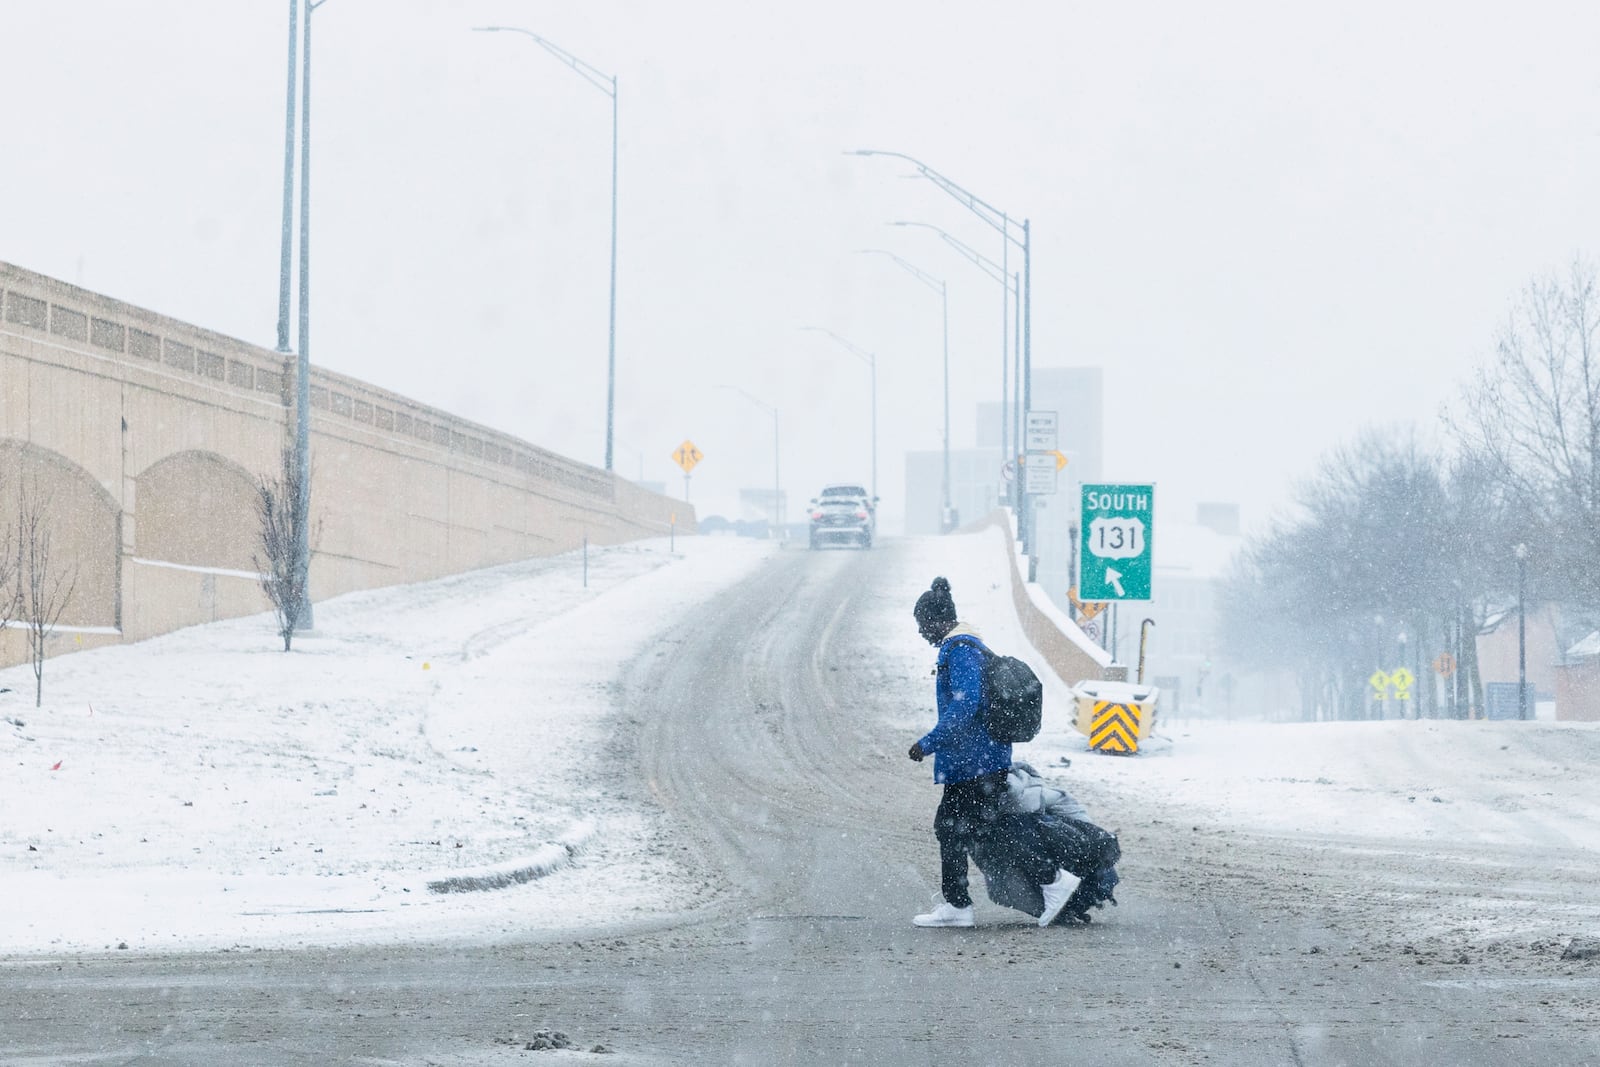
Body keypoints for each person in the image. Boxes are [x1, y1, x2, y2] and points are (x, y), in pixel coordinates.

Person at [907, 576, 1079, 928]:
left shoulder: (960, 652)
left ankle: (1050, 882)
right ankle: (962, 904)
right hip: (979, 762)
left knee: (962, 830)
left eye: (923, 625)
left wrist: (928, 743)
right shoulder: (968, 649)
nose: (922, 632)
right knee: (976, 831)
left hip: (975, 764)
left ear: (939, 621)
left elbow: (966, 704)